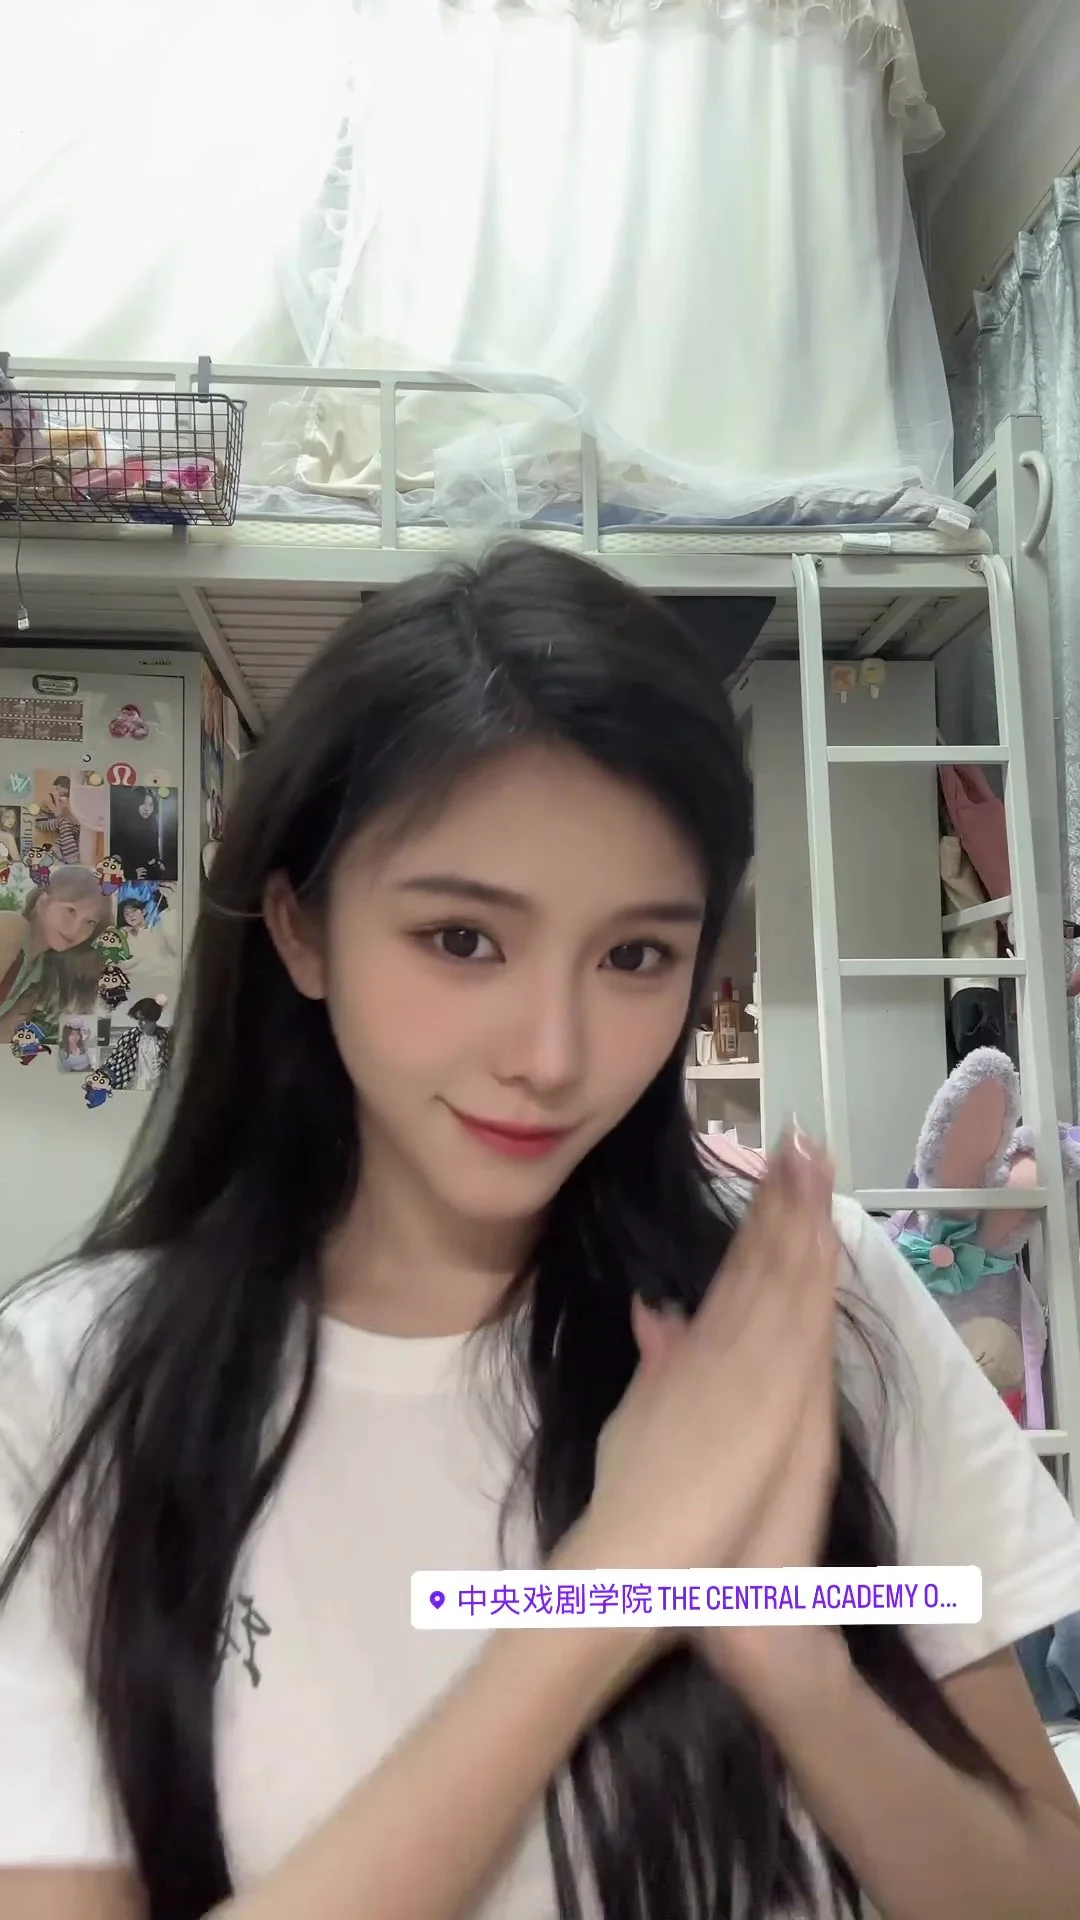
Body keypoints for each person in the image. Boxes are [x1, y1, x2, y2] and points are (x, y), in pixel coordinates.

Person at [1, 545, 1079, 1920]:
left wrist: (791, 1659)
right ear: (301, 928)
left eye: (635, 956)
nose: (554, 1055)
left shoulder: (801, 1300)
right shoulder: (68, 1385)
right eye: (463, 939)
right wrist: (612, 1587)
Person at [0, 862, 112, 1043]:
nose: (75, 929)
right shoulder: (12, 928)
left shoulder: (38, 974)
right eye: (70, 910)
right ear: (43, 902)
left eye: (90, 922)